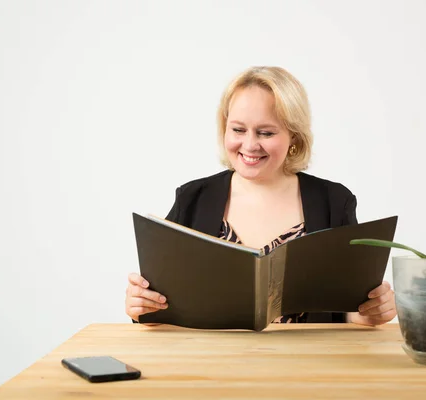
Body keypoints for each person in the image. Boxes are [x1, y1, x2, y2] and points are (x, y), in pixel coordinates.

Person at [125, 66, 396, 326]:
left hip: (305, 367)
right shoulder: (192, 198)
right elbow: (163, 307)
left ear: (294, 136)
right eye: (238, 130)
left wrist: (369, 313)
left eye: (266, 132)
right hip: (213, 366)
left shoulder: (334, 202)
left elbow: (345, 311)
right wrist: (142, 307)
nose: (250, 145)